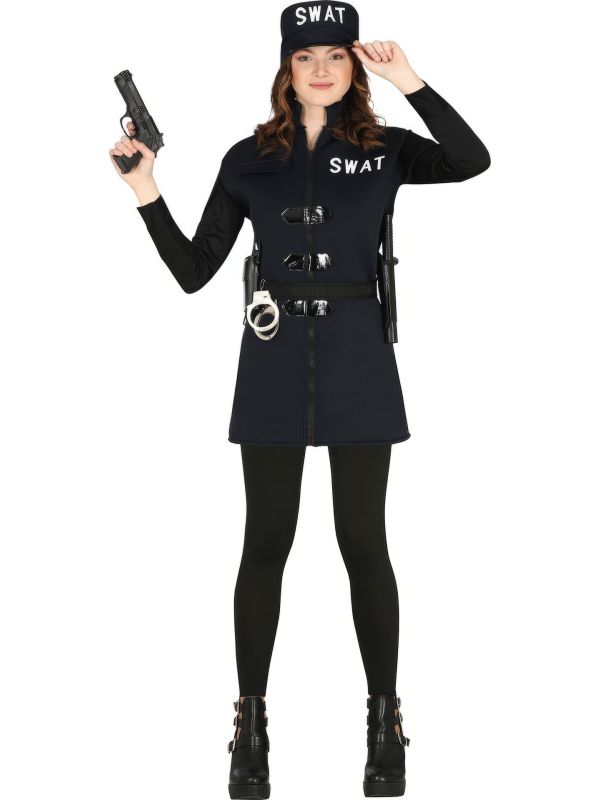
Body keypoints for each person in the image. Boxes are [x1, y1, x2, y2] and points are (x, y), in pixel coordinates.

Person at [109, 2, 490, 796]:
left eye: (335, 56)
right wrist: (146, 187)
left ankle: (384, 724)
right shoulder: (248, 159)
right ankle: (249, 728)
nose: (320, 69)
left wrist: (410, 79)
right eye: (305, 56)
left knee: (363, 543)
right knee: (266, 544)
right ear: (285, 69)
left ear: (354, 68)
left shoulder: (384, 149)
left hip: (359, 360)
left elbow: (470, 159)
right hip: (273, 358)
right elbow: (193, 271)